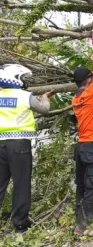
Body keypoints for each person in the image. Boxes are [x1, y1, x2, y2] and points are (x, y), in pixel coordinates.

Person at [0, 64, 52, 233]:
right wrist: (45, 98)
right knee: (21, 184)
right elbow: (44, 109)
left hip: (0, 144)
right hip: (19, 146)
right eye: (22, 78)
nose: (24, 81)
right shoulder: (25, 96)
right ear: (16, 78)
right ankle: (20, 224)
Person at [72, 34, 93, 235]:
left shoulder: (75, 99)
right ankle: (82, 225)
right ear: (87, 80)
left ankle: (79, 219)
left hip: (82, 146)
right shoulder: (91, 93)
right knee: (92, 185)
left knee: (82, 185)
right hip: (91, 147)